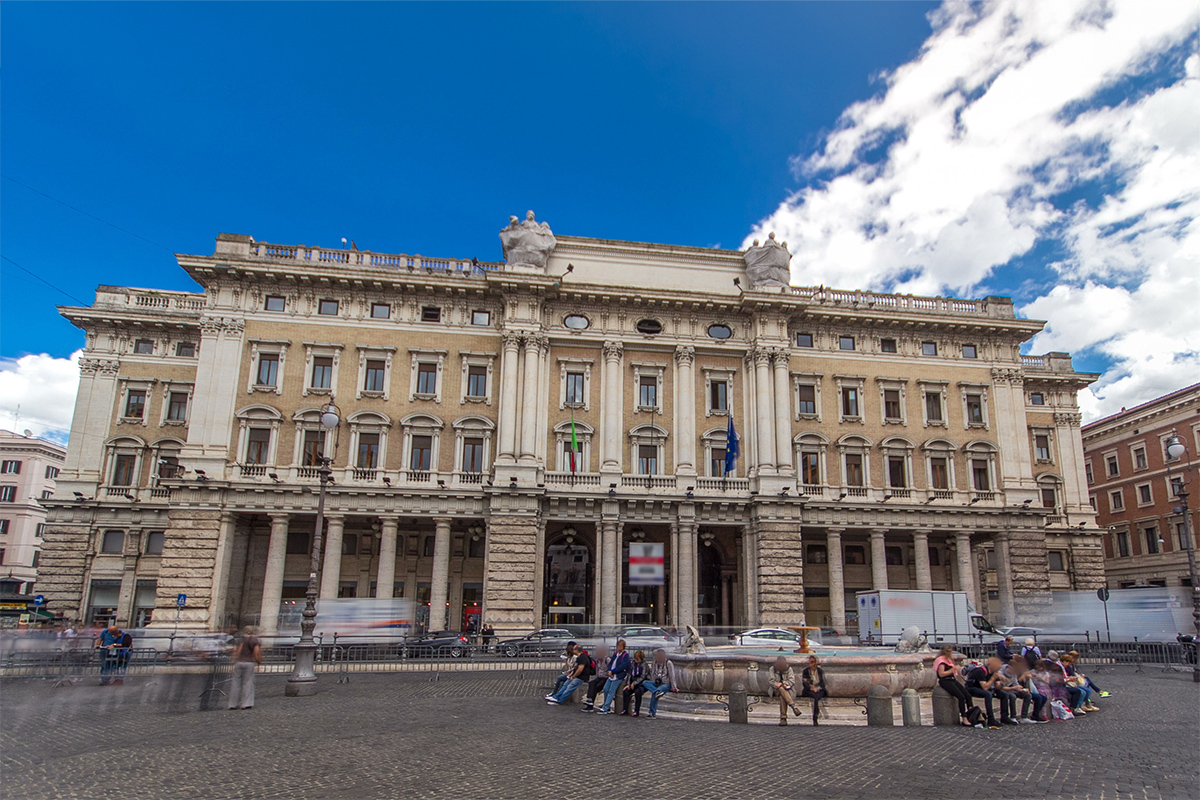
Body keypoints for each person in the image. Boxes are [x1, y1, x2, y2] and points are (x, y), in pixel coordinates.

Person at [963, 657, 1012, 728]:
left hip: (983, 688)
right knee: (988, 694)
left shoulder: (993, 673)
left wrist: (1000, 683)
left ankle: (1004, 717)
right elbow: (985, 687)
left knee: (1004, 694)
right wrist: (993, 679)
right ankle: (990, 718)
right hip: (972, 688)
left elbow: (997, 687)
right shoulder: (981, 671)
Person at [934, 645, 975, 726]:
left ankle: (972, 713)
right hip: (945, 680)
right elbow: (941, 674)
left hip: (952, 679)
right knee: (961, 696)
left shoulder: (949, 660)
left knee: (967, 695)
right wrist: (952, 670)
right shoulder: (941, 661)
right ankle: (964, 717)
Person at [998, 655, 1046, 723]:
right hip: (1006, 689)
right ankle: (1013, 716)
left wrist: (1021, 689)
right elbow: (1001, 688)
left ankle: (1024, 717)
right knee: (1012, 696)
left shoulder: (1014, 673)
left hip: (1012, 689)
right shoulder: (1001, 673)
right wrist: (1015, 687)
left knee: (1028, 695)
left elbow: (1016, 683)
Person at [228, 628, 262, 710]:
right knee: (247, 683)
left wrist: (234, 660)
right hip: (249, 662)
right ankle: (246, 703)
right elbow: (256, 652)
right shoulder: (254, 640)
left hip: (239, 662)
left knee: (235, 683)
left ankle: (232, 704)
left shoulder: (241, 639)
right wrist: (258, 662)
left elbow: (238, 651)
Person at [641, 648, 677, 719]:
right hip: (656, 683)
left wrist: (674, 687)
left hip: (665, 683)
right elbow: (653, 674)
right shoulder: (655, 662)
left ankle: (652, 713)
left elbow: (672, 675)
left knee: (655, 694)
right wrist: (653, 681)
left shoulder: (668, 663)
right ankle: (658, 692)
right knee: (645, 683)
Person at [599, 639, 632, 714]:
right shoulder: (615, 654)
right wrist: (610, 670)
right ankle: (606, 705)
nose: (619, 647)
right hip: (612, 675)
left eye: (620, 646)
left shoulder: (625, 655)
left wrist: (613, 671)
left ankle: (606, 707)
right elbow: (611, 663)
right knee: (605, 689)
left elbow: (623, 666)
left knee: (611, 691)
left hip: (618, 675)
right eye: (618, 645)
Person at [767, 656, 802, 725]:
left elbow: (792, 681)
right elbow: (771, 681)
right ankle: (793, 706)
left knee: (782, 695)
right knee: (780, 689)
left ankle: (783, 718)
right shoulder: (772, 669)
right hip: (775, 690)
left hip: (787, 690)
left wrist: (783, 683)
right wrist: (777, 685)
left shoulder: (789, 669)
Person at [800, 655, 828, 726]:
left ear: (815, 663)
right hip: (809, 689)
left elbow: (822, 682)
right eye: (809, 662)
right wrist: (811, 688)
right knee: (815, 697)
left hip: (819, 689)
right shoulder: (806, 671)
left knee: (817, 696)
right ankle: (815, 716)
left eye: (812, 662)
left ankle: (816, 714)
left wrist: (818, 688)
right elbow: (805, 683)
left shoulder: (820, 671)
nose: (810, 663)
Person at [581, 646, 610, 712]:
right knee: (591, 683)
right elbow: (597, 670)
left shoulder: (607, 660)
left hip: (605, 677)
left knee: (597, 687)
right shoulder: (597, 661)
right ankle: (590, 700)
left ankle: (590, 703)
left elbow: (610, 668)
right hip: (599, 677)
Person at [620, 650, 649, 716]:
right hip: (633, 683)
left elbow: (643, 676)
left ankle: (636, 710)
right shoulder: (633, 664)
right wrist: (628, 684)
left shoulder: (644, 665)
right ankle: (625, 709)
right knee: (626, 692)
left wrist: (635, 683)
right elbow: (629, 674)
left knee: (637, 692)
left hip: (641, 684)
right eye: (635, 659)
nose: (636, 660)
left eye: (637, 659)